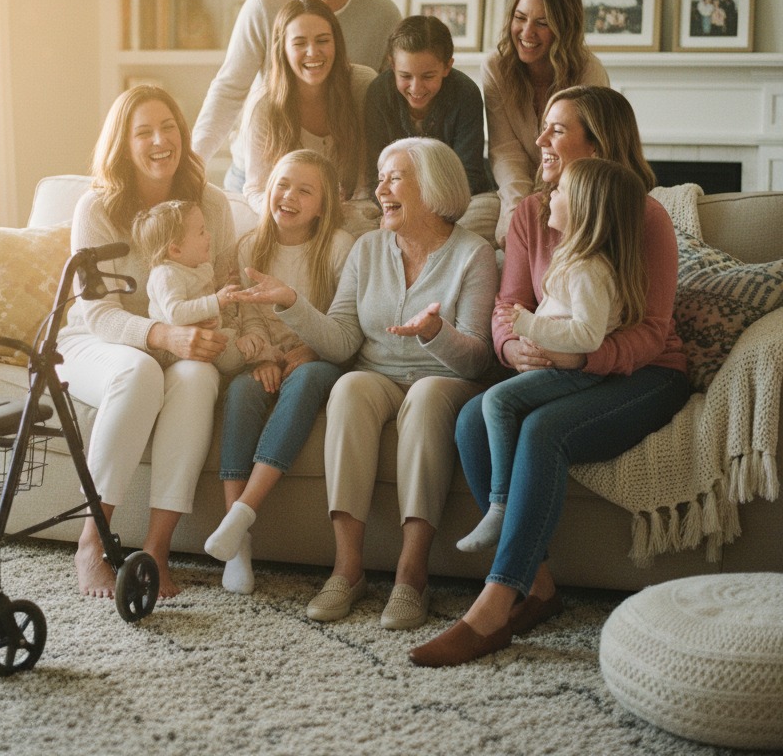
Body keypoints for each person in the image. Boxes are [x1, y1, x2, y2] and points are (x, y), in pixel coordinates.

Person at [410, 85, 690, 668]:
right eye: (543, 127)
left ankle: (493, 606)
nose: (539, 141)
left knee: (544, 433)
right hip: (561, 360)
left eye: (557, 129)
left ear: (600, 142)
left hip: (645, 373)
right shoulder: (532, 215)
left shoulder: (645, 215)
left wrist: (579, 357)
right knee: (469, 420)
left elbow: (654, 330)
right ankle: (538, 587)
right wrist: (516, 351)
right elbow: (506, 309)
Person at [230, 138, 497, 631]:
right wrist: (291, 301)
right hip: (378, 374)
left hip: (443, 379)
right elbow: (340, 339)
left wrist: (436, 333)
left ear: (433, 188)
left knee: (426, 394)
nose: (379, 189)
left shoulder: (473, 254)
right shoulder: (368, 248)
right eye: (380, 176)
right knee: (349, 387)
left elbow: (478, 358)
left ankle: (411, 574)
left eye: (393, 178)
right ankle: (347, 568)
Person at [57, 84, 236, 600]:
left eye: (169, 128)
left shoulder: (212, 205)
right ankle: (92, 543)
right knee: (139, 372)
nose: (160, 141)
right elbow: (98, 313)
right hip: (95, 338)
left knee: (199, 378)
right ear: (123, 143)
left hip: (177, 343)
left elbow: (223, 294)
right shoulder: (97, 208)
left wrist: (209, 341)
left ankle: (155, 551)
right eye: (144, 132)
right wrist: (163, 334)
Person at [455, 156, 648, 553]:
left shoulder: (588, 270)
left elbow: (588, 335)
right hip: (556, 362)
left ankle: (500, 506)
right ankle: (504, 513)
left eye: (558, 191)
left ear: (582, 209)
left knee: (497, 400)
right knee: (488, 406)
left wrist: (527, 326)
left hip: (577, 371)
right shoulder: (574, 260)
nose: (548, 197)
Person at [204, 150, 355, 594]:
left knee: (307, 379)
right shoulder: (251, 245)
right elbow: (246, 314)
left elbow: (343, 319)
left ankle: (242, 513)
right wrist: (263, 356)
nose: (288, 196)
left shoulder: (339, 247)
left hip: (318, 358)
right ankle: (239, 545)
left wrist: (309, 347)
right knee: (241, 393)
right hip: (267, 356)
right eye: (283, 184)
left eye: (305, 190)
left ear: (323, 206)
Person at [191, 0, 401, 175]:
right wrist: (191, 167)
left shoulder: (383, 14)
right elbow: (229, 89)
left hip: (339, 180)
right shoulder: (264, 4)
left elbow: (392, 105)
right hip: (259, 173)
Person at [482, 0, 609, 250]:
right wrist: (518, 212)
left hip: (575, 188)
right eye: (520, 18)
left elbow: (588, 155)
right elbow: (504, 150)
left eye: (542, 23)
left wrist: (548, 206)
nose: (527, 32)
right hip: (516, 190)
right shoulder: (496, 68)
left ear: (564, 28)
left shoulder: (590, 72)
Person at [240, 0, 378, 234]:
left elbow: (373, 179)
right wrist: (301, 214)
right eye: (299, 43)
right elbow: (256, 190)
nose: (312, 52)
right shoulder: (263, 105)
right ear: (282, 48)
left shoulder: (363, 86)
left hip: (354, 214)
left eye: (323, 40)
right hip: (292, 218)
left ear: (337, 43)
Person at [131, 199, 266, 375]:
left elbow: (203, 301)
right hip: (174, 350)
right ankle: (259, 358)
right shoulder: (166, 274)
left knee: (230, 334)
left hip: (200, 336)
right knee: (228, 354)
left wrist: (227, 291)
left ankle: (253, 351)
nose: (209, 236)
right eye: (202, 232)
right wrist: (216, 301)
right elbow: (176, 313)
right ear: (176, 250)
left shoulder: (195, 266)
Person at [363, 14, 491, 196]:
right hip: (394, 195)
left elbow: (468, 175)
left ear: (447, 67)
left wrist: (429, 212)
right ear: (392, 65)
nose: (416, 88)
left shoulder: (466, 93)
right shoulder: (379, 93)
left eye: (428, 76)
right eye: (405, 76)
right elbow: (374, 172)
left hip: (453, 194)